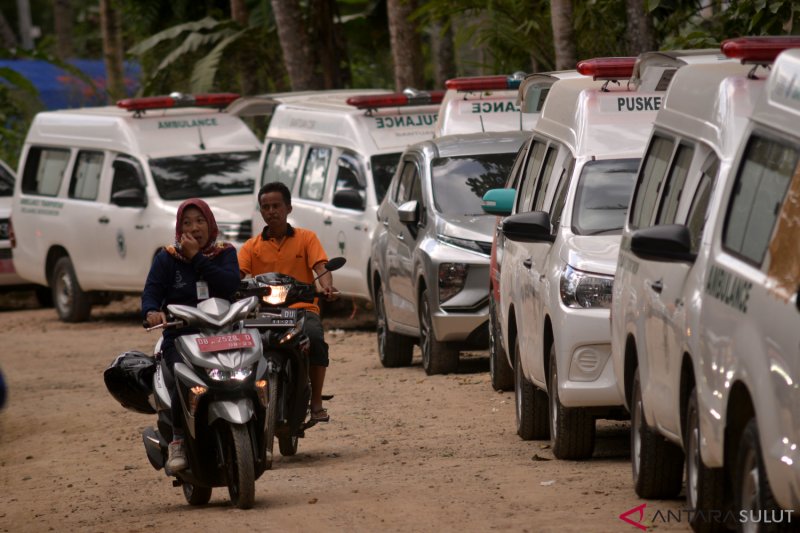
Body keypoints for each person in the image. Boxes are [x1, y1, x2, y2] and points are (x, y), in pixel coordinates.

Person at [142, 198, 240, 473]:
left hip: (224, 334)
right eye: (187, 222)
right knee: (181, 378)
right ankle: (178, 440)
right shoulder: (167, 258)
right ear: (178, 228)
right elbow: (152, 292)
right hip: (183, 337)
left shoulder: (225, 253)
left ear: (211, 224)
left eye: (200, 221)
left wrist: (197, 257)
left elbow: (230, 285)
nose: (194, 227)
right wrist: (151, 311)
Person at [238, 182, 336, 423]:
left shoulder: (306, 238)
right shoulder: (251, 247)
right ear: (260, 211)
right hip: (263, 312)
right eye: (266, 207)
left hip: (301, 310)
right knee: (241, 348)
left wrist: (326, 286)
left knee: (315, 340)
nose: (271, 211)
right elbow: (238, 276)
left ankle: (316, 403)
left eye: (276, 205)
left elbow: (321, 266)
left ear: (289, 208)